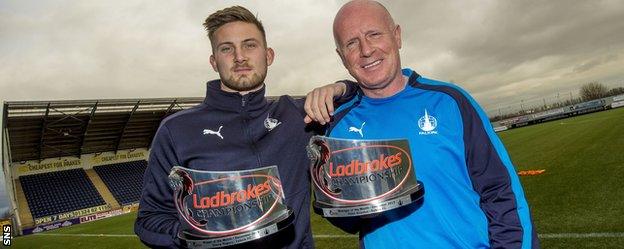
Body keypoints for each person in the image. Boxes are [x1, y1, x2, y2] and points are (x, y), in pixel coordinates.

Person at [305, 1, 539, 248]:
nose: (366, 50)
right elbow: (348, 222)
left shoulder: (450, 102)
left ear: (397, 36)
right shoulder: (336, 128)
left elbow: (502, 193)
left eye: (374, 34)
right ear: (342, 57)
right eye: (351, 43)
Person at [134, 6, 354, 249]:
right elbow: (149, 220)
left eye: (250, 45)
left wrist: (339, 87)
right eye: (226, 48)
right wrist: (193, 235)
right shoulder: (176, 130)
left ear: (269, 55)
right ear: (213, 62)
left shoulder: (297, 115)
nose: (239, 56)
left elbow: (365, 95)